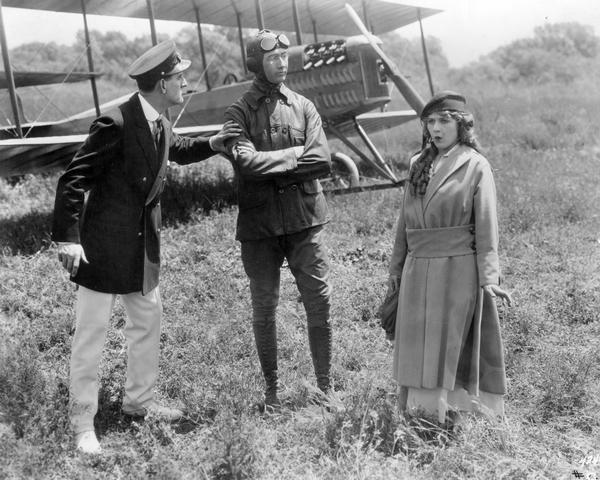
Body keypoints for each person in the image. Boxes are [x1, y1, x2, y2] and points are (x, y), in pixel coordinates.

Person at [51, 40, 241, 453]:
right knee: (91, 336)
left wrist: (212, 144)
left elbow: (176, 150)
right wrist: (68, 237)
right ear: (161, 83)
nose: (185, 83)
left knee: (147, 326)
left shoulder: (160, 120)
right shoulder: (115, 123)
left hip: (143, 249)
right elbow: (73, 179)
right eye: (178, 77)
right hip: (101, 249)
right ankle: (82, 420)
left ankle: (139, 404)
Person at [387, 90, 512, 423]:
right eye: (430, 121)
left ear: (462, 125)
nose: (436, 129)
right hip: (417, 269)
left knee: (452, 342)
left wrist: (489, 278)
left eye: (444, 121)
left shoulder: (475, 165)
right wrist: (396, 269)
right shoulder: (418, 163)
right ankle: (421, 413)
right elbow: (404, 224)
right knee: (419, 341)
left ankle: (457, 415)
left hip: (457, 270)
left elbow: (487, 228)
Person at [223, 29, 333, 409]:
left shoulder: (304, 106)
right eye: (272, 58)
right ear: (257, 62)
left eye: (285, 56)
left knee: (318, 302)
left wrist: (279, 161)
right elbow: (247, 164)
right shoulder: (237, 113)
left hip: (305, 220)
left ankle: (325, 387)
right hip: (260, 227)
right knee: (264, 307)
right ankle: (272, 392)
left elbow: (323, 160)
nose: (281, 62)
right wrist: (295, 155)